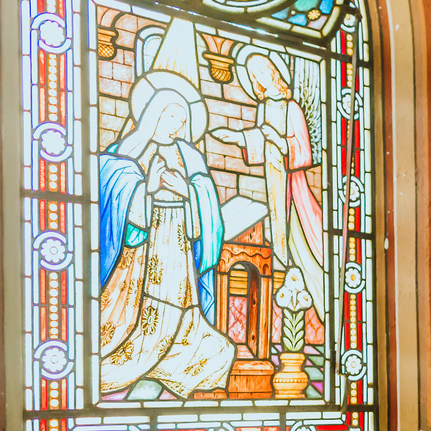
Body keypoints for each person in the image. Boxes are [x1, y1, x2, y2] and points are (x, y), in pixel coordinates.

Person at [98, 73, 233, 400]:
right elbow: (108, 189)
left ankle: (168, 365)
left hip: (179, 249)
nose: (177, 124)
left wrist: (186, 189)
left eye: (183, 119)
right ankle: (136, 361)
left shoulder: (190, 155)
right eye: (172, 114)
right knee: (126, 330)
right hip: (139, 256)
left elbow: (207, 201)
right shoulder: (127, 149)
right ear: (153, 112)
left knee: (218, 351)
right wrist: (148, 188)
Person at [211, 53, 325, 319]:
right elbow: (260, 142)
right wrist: (237, 138)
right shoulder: (264, 109)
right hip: (272, 181)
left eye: (262, 72)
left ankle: (315, 293)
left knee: (301, 235)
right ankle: (285, 274)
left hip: (292, 183)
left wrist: (278, 139)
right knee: (278, 233)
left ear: (274, 72)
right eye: (254, 76)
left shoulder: (292, 108)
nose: (259, 79)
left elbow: (304, 152)